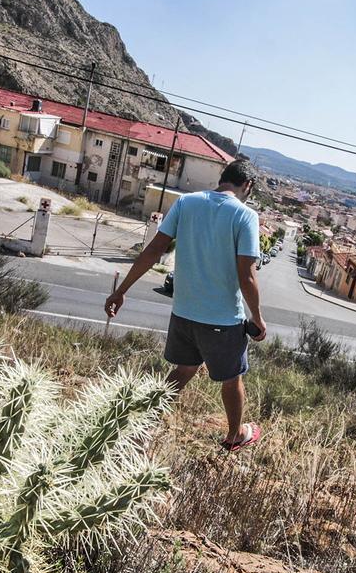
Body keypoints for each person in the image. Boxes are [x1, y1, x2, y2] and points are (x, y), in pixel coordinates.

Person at [104, 159, 265, 451]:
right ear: (247, 186)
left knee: (183, 370)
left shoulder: (186, 203)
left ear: (222, 177)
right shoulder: (245, 216)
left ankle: (142, 427)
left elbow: (153, 250)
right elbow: (247, 275)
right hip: (222, 319)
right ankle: (235, 435)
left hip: (182, 313)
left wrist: (121, 291)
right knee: (232, 378)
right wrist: (258, 317)